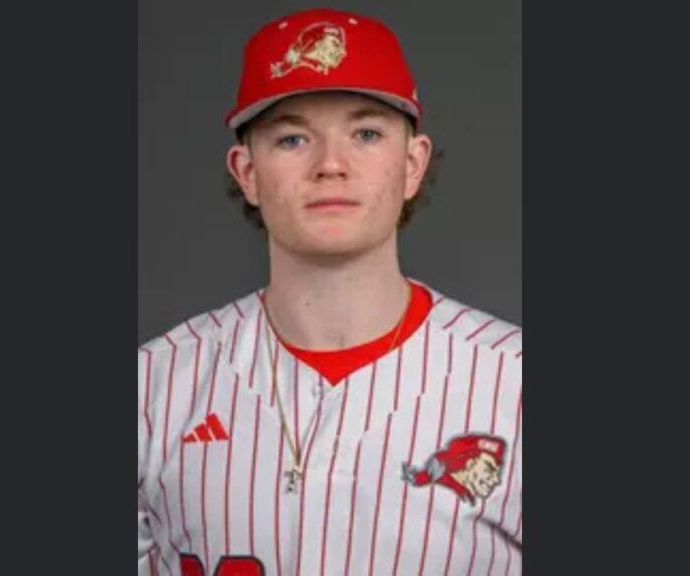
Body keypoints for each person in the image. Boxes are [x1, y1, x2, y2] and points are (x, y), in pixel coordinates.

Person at [138, 8, 521, 575]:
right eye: (292, 138)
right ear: (247, 172)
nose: (331, 165)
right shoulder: (153, 388)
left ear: (412, 164)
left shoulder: (514, 383)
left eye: (366, 134)